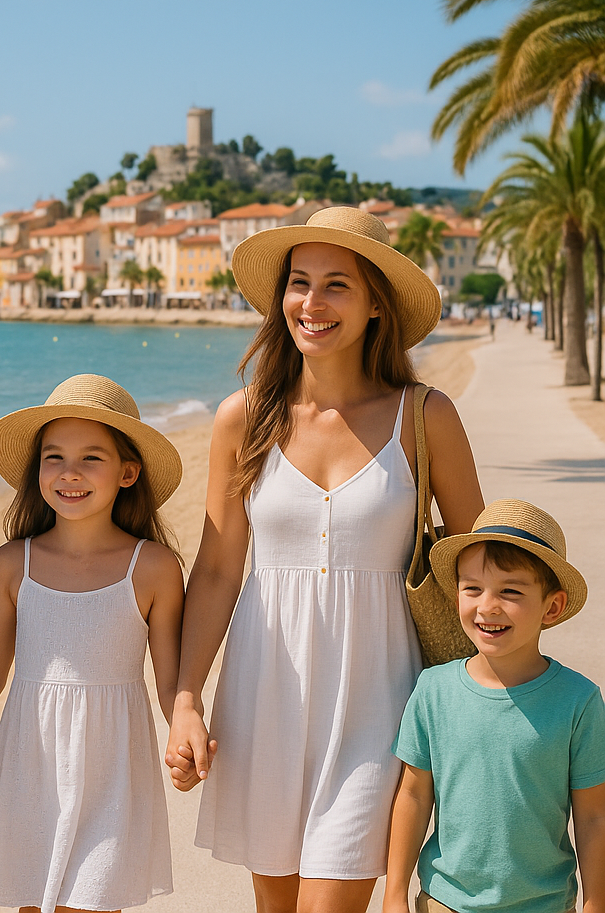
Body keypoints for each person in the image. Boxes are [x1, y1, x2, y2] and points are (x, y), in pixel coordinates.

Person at [165, 206, 485, 913]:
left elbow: (481, 568)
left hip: (380, 702)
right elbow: (217, 570)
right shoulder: (243, 418)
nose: (312, 302)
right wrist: (186, 700)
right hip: (263, 698)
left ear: (376, 305)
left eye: (337, 284)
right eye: (300, 282)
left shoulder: (424, 416)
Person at [0, 374, 185, 913]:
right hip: (32, 767)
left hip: (113, 772)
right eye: (54, 457)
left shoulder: (153, 567)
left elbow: (171, 681)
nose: (69, 472)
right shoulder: (13, 563)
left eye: (91, 458)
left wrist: (186, 726)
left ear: (128, 472)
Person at [385, 498, 605, 913]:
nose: (487, 605)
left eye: (510, 591)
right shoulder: (433, 690)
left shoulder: (579, 701)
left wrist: (596, 903)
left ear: (552, 607)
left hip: (545, 905)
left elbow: (594, 818)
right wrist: (394, 894)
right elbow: (413, 795)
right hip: (445, 901)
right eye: (472, 588)